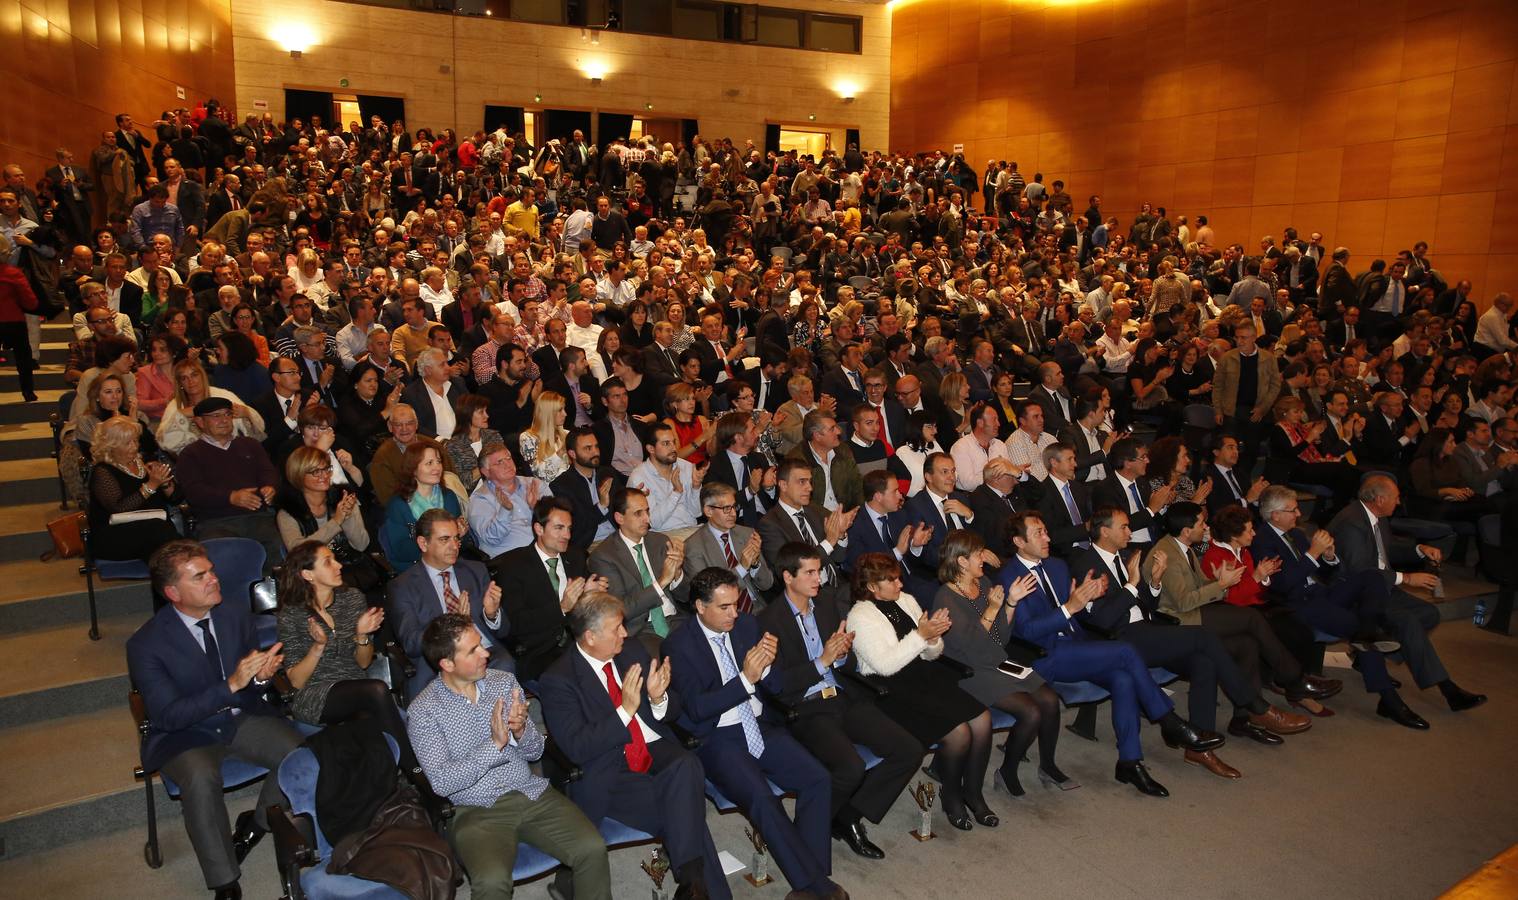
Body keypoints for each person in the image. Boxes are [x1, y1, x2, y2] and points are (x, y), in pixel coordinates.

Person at [1070, 506, 1311, 777]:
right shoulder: (1085, 565)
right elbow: (1103, 621)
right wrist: (1131, 585)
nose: (1130, 531)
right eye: (1123, 527)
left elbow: (1147, 605)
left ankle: (1199, 746)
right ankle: (1256, 706)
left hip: (1149, 629)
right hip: (1121, 640)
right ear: (1105, 532)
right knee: (1204, 636)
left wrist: (1154, 583)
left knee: (1203, 661)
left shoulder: (1126, 556)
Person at [125, 540, 304, 899]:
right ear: (172, 592)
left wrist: (261, 678)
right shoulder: (146, 644)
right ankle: (225, 882)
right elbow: (169, 715)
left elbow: (249, 684)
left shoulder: (234, 613)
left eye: (211, 571)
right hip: (185, 734)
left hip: (240, 718)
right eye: (200, 576)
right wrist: (232, 684)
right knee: (201, 777)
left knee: (300, 753)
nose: (214, 579)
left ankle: (254, 825)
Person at [1004, 511, 1223, 797]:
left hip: (1074, 644)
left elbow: (1076, 613)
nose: (1047, 538)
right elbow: (1026, 632)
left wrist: (1087, 599)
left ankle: (1130, 761)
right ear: (1019, 541)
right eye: (1039, 534)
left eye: (1046, 530)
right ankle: (1169, 721)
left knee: (1123, 679)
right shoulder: (1009, 576)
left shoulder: (1057, 566)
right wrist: (1070, 607)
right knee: (1125, 650)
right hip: (1042, 655)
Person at [662, 567, 846, 900]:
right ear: (700, 607)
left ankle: (810, 875)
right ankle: (812, 884)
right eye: (724, 607)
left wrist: (818, 662)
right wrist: (746, 679)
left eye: (736, 604)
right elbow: (697, 709)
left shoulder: (747, 624)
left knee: (818, 778)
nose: (734, 613)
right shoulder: (677, 645)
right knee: (762, 797)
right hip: (716, 738)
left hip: (759, 726)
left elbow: (773, 683)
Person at [537, 592, 733, 900]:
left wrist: (658, 699)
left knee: (686, 763)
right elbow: (577, 747)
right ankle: (699, 889)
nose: (625, 634)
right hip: (609, 768)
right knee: (684, 812)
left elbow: (674, 710)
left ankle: (693, 887)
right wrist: (625, 710)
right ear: (590, 636)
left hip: (652, 747)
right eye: (617, 628)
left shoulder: (631, 651)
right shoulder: (558, 680)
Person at [406, 613, 611, 900]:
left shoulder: (504, 681)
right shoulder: (424, 711)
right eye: (473, 650)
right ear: (447, 664)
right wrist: (495, 745)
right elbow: (441, 782)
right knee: (491, 883)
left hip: (529, 792)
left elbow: (536, 751)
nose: (485, 653)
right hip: (474, 810)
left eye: (481, 644)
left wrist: (520, 732)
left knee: (592, 848)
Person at [756, 541, 922, 856]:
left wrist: (842, 654)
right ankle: (804, 831)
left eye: (819, 571)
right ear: (788, 577)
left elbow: (842, 663)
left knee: (909, 750)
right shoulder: (768, 621)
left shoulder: (828, 603)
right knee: (851, 768)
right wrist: (822, 661)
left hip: (842, 696)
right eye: (810, 573)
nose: (818, 578)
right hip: (805, 709)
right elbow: (776, 685)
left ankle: (845, 816)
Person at [848, 552, 997, 828]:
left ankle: (973, 793)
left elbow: (932, 655)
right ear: (871, 587)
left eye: (898, 578)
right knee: (958, 733)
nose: (899, 584)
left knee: (983, 719)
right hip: (889, 690)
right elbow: (885, 666)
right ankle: (951, 796)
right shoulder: (860, 616)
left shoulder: (906, 601)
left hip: (923, 675)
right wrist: (921, 636)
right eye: (890, 581)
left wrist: (934, 638)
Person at [1326, 475, 1487, 727]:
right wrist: (1407, 577)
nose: (1399, 502)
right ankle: (1448, 689)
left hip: (1383, 586)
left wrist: (1418, 549)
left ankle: (1382, 650)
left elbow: (1387, 550)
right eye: (1396, 497)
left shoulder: (1376, 517)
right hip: (1358, 595)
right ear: (1379, 499)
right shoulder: (1352, 523)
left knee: (1429, 614)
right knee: (1408, 623)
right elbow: (1360, 573)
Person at [1251, 486, 1419, 718]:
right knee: (1357, 626)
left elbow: (1327, 573)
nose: (1299, 514)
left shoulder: (1297, 534)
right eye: (1293, 510)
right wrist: (1313, 553)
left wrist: (1329, 557)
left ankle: (1367, 631)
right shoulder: (1261, 541)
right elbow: (1284, 584)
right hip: (1297, 603)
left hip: (1320, 593)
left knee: (1372, 576)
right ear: (1275, 515)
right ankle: (1389, 699)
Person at [274, 540, 418, 777]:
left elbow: (362, 663)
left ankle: (384, 785)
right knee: (377, 693)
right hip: (315, 694)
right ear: (307, 574)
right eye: (328, 562)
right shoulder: (292, 614)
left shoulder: (352, 598)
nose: (339, 565)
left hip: (355, 685)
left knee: (369, 724)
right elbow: (297, 681)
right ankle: (415, 770)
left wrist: (362, 634)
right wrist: (318, 647)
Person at [387, 508, 512, 699]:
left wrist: (492, 614)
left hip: (483, 652)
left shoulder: (476, 571)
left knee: (505, 664)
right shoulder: (403, 586)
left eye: (456, 538)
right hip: (439, 663)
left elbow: (504, 631)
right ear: (423, 543)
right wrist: (452, 626)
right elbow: (411, 643)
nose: (454, 546)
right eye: (445, 540)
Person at [491, 497, 604, 684]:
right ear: (539, 529)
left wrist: (591, 594)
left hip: (581, 640)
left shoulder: (575, 556)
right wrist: (562, 607)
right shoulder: (513, 566)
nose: (567, 535)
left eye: (569, 528)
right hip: (541, 651)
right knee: (581, 683)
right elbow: (516, 624)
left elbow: (591, 604)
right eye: (559, 528)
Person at [174, 396, 282, 564]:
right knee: (224, 554)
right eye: (216, 416)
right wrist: (230, 497)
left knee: (276, 547)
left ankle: (275, 589)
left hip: (258, 516)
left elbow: (268, 471)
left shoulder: (250, 444)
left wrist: (270, 486)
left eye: (227, 414)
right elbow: (194, 492)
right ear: (200, 422)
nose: (224, 420)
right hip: (216, 521)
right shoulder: (190, 454)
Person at [588, 487, 690, 650]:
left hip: (676, 619)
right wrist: (662, 581)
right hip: (640, 630)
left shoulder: (660, 541)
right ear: (619, 518)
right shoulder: (604, 557)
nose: (647, 519)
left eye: (647, 511)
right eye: (638, 513)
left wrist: (677, 574)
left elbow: (686, 596)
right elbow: (621, 609)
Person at [274, 446, 382, 592]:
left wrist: (347, 516)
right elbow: (298, 552)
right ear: (298, 475)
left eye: (326, 469)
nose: (324, 475)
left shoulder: (342, 497)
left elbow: (361, 545)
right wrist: (336, 522)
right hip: (312, 578)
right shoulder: (289, 511)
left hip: (350, 570)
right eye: (315, 472)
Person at [86, 416, 181, 561]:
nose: (134, 446)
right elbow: (119, 508)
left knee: (171, 542)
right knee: (165, 539)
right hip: (116, 535)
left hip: (156, 529)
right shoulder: (103, 471)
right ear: (111, 446)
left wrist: (164, 483)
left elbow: (176, 498)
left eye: (135, 440)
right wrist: (151, 486)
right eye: (127, 443)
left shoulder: (144, 462)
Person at [379, 438, 468, 572]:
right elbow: (400, 551)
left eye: (438, 462)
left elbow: (463, 544)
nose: (436, 468)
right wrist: (437, 544)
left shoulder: (448, 496)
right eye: (429, 463)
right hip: (417, 568)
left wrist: (461, 534)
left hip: (451, 563)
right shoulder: (398, 505)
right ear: (413, 469)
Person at [684, 481, 774, 613]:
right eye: (726, 508)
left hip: (759, 607)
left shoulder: (747, 533)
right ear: (708, 511)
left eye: (734, 507)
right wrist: (742, 568)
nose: (733, 513)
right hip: (724, 614)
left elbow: (767, 584)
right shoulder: (693, 547)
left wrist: (755, 564)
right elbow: (707, 595)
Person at [157, 358, 266, 454]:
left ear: (202, 376)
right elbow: (164, 441)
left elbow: (257, 431)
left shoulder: (224, 396)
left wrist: (246, 413)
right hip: (194, 460)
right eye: (184, 378)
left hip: (231, 453)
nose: (190, 381)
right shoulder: (175, 406)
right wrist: (180, 415)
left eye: (194, 375)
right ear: (180, 384)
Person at [469, 441, 548, 559]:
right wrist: (505, 510)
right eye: (499, 462)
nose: (508, 464)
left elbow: (558, 523)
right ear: (486, 472)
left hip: (546, 552)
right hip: (511, 561)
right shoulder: (480, 499)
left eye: (508, 458)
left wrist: (537, 508)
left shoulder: (534, 484)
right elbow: (491, 538)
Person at [628, 422, 705, 535]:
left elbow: (697, 512)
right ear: (651, 449)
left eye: (674, 442)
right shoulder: (639, 477)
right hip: (662, 535)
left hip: (692, 529)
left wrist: (696, 488)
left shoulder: (686, 466)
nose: (673, 448)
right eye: (666, 443)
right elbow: (653, 522)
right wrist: (676, 493)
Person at [444, 394, 502, 492]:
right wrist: (484, 466)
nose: (487, 415)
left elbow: (504, 465)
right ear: (467, 415)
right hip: (473, 496)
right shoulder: (454, 446)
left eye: (486, 411)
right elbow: (459, 483)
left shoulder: (493, 436)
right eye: (481, 412)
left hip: (499, 489)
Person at [520, 390, 570, 481]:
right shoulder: (528, 438)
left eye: (564, 409)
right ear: (547, 413)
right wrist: (561, 451)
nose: (565, 414)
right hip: (550, 491)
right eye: (560, 410)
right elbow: (541, 476)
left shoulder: (567, 434)